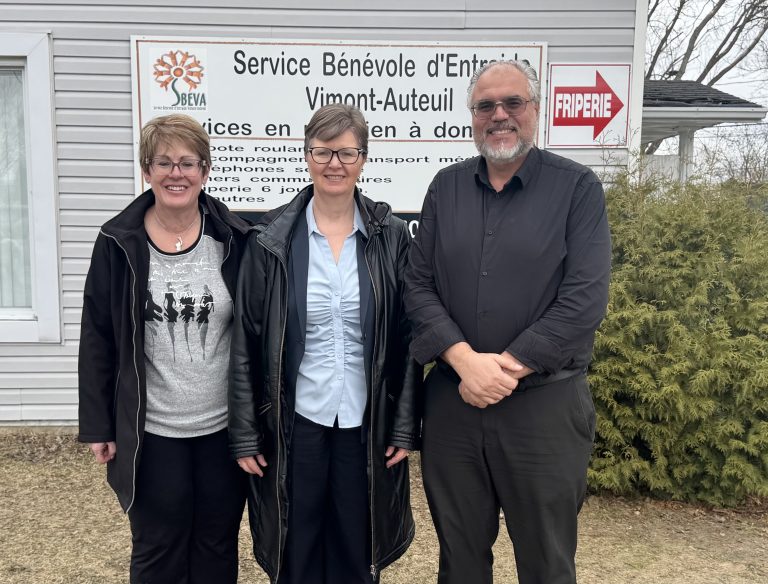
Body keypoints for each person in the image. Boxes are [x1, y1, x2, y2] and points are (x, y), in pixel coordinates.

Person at [404, 60, 611, 584]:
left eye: (512, 102)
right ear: (472, 116)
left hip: (544, 410)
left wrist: (505, 369)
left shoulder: (577, 188)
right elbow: (417, 285)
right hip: (454, 406)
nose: (499, 115)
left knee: (546, 564)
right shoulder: (445, 188)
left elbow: (584, 298)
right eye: (485, 106)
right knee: (460, 562)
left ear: (535, 110)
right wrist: (464, 362)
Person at [229, 103, 421, 584]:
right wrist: (246, 433)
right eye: (323, 152)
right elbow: (246, 341)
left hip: (365, 422)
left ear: (363, 158)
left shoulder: (391, 237)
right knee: (298, 548)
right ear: (307, 155)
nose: (335, 163)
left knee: (356, 549)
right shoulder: (270, 240)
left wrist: (403, 426)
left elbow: (408, 337)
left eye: (347, 152)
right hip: (296, 423)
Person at [77, 113, 251, 584]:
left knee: (216, 544)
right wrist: (98, 424)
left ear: (204, 171)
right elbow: (97, 335)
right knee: (158, 546)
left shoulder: (233, 239)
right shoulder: (118, 242)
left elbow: (254, 333)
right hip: (151, 430)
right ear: (146, 170)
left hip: (222, 429)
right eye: (164, 162)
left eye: (188, 162)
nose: (177, 173)